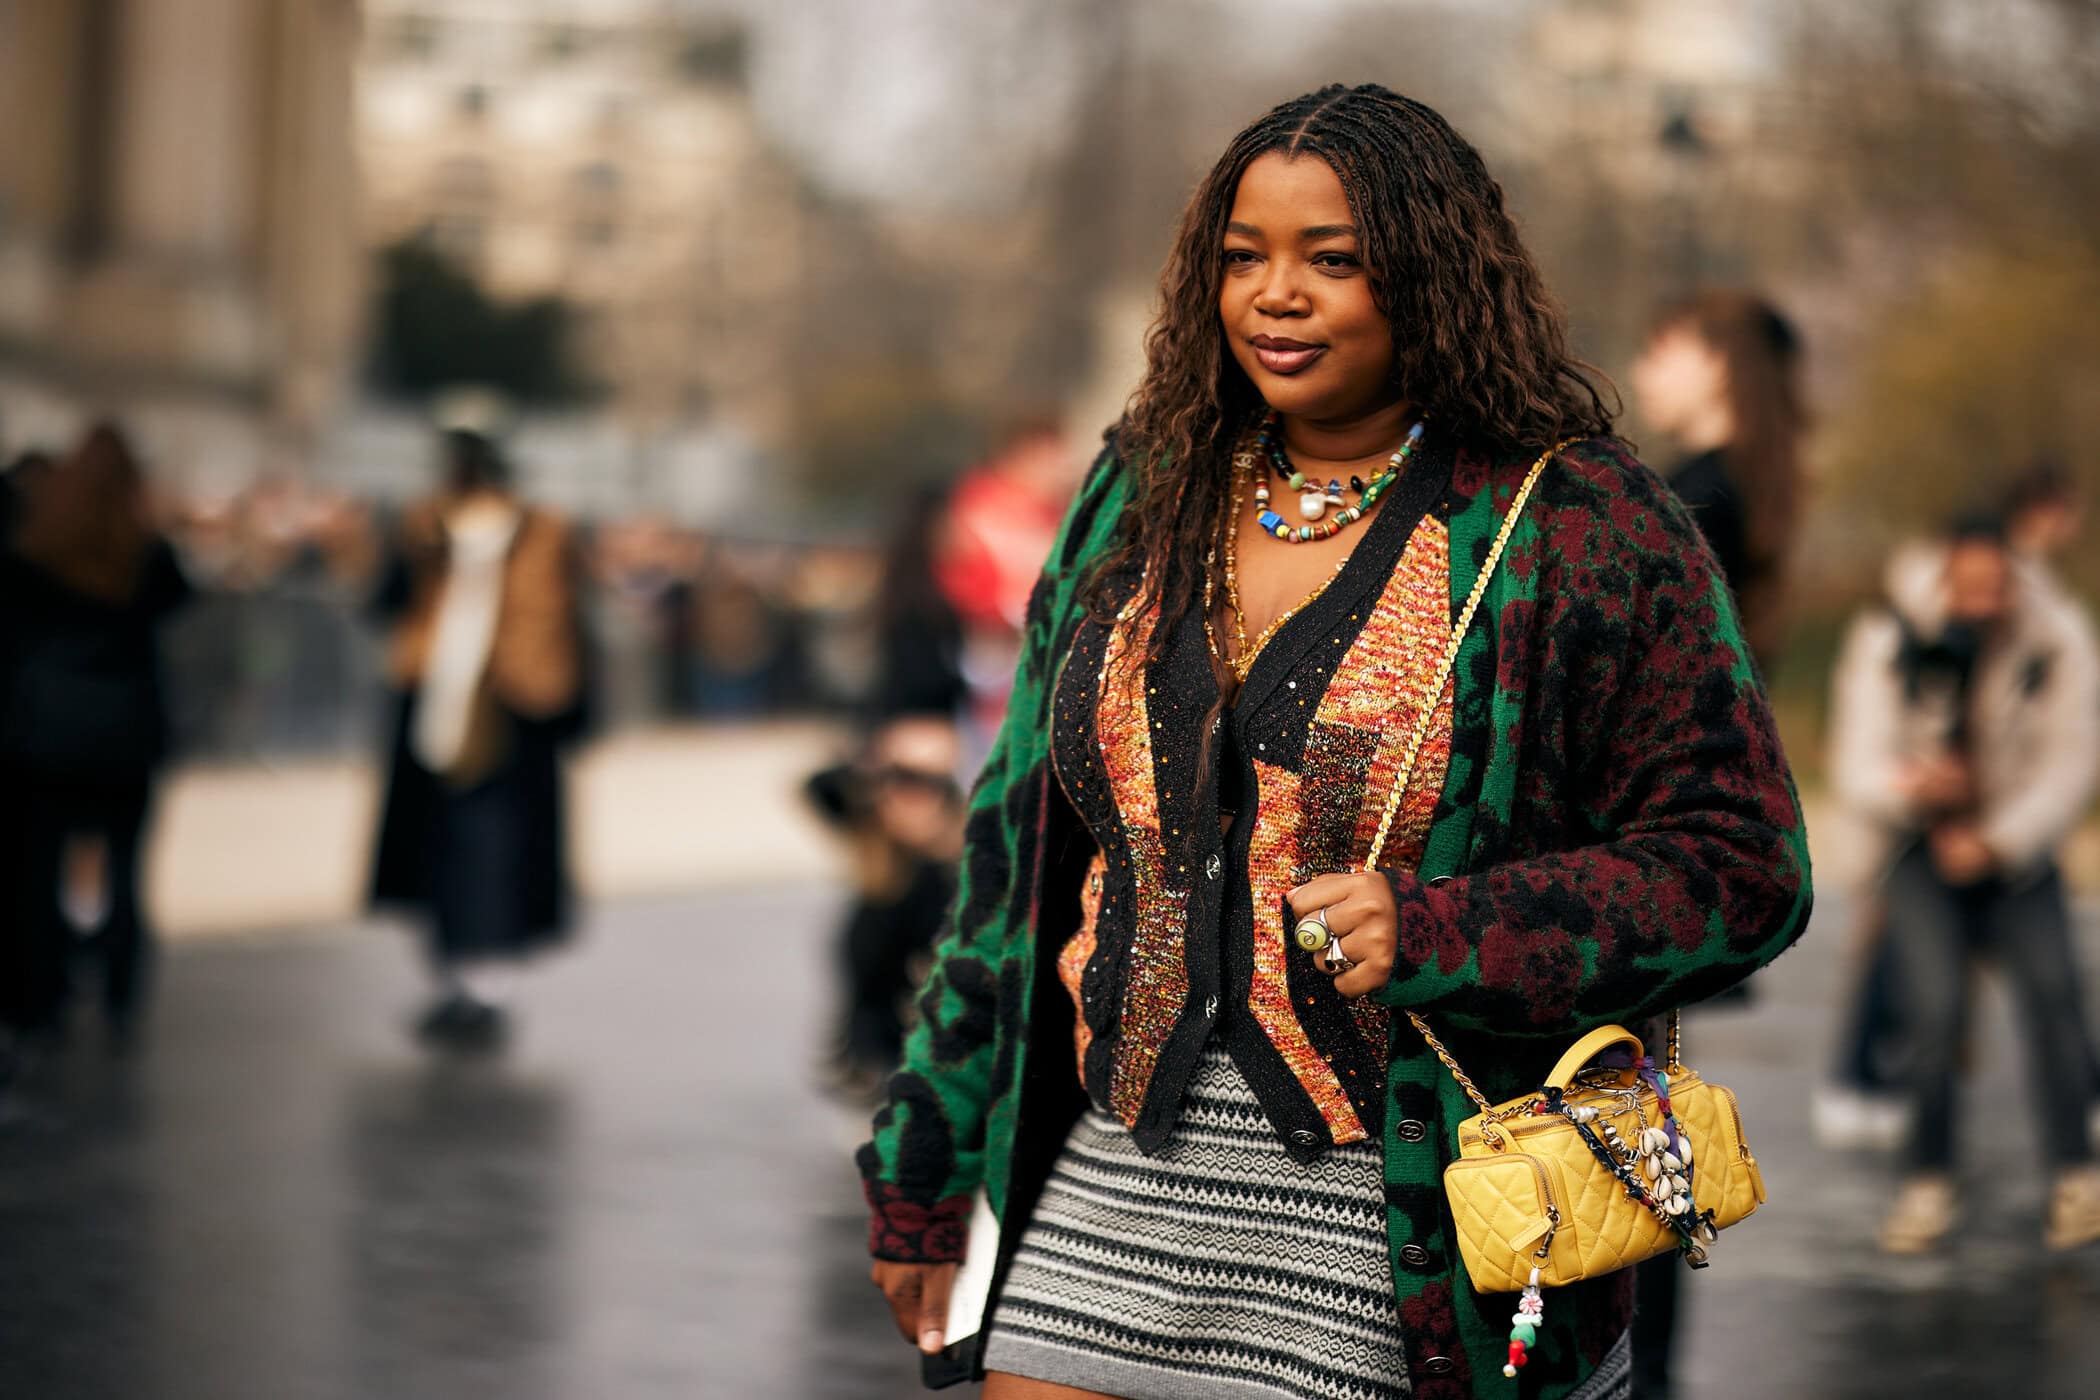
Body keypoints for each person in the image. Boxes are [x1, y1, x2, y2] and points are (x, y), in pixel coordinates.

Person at [860, 84, 1811, 1400]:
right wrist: (926, 1154)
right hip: (1118, 1168)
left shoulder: (1577, 519)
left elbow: (1743, 865)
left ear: (1428, 272)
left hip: (1411, 1222)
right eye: (1244, 256)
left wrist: (1447, 931)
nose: (1275, 295)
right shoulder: (1141, 490)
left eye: (1333, 258)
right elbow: (1012, 853)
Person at [1827, 515, 2100, 1253]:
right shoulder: (1889, 633)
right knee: (1934, 1009)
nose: (1980, 604)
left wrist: (1998, 838)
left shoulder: (2058, 636)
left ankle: (2077, 1180)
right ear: (1943, 578)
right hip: (1919, 846)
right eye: (1966, 588)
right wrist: (1913, 786)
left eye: (1995, 589)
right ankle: (1927, 1182)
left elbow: (2073, 762)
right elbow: (1855, 760)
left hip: (2016, 848)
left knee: (2054, 995)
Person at [1626, 289, 1806, 1398]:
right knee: (1652, 1114)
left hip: (1655, 836)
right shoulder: (1748, 490)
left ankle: (1643, 1370)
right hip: (1696, 835)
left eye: (1665, 345)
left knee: (1636, 1120)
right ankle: (1650, 1368)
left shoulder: (1696, 497)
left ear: (1716, 364)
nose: (1647, 367)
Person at [368, 429, 588, 1052]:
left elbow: (563, 627)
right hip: (436, 702)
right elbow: (388, 599)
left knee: (495, 852)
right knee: (437, 847)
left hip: (511, 709)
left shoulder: (542, 533)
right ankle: (454, 978)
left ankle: (486, 984)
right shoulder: (426, 528)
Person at [0, 424, 191, 1057]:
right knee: (126, 874)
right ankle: (119, 991)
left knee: (39, 870)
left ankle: (42, 996)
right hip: (125, 733)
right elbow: (178, 603)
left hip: (48, 733)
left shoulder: (37, 549)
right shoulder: (145, 553)